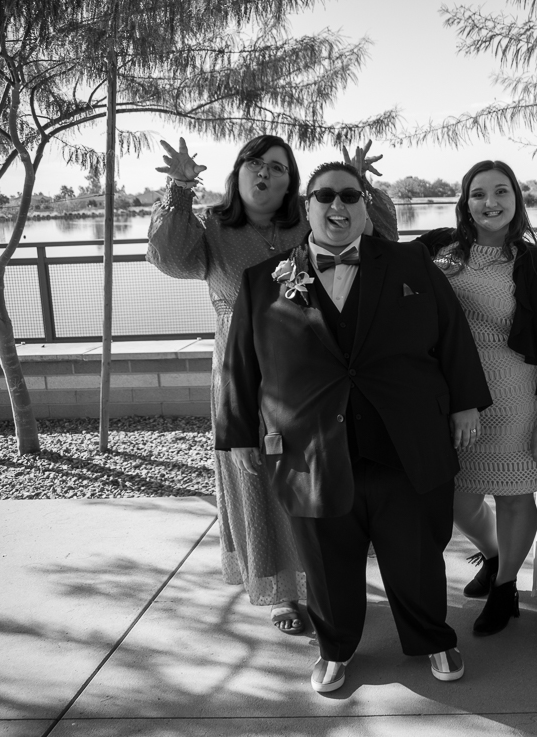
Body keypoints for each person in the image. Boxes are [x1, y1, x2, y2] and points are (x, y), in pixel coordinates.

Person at [215, 162, 492, 693]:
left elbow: (453, 333)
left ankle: (432, 637)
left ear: (366, 205)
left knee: (415, 552)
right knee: (326, 559)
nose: (337, 205)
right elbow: (240, 366)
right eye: (325, 196)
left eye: (349, 195)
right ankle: (335, 648)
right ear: (307, 207)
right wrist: (240, 435)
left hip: (406, 439)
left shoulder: (411, 263)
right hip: (311, 447)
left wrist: (465, 405)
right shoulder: (262, 280)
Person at [147, 135, 396, 637]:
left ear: (291, 183)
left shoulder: (307, 222)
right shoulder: (211, 230)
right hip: (245, 369)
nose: (265, 173)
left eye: (278, 167)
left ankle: (329, 576)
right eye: (255, 163)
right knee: (257, 473)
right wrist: (179, 188)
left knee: (317, 470)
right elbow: (169, 258)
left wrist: (356, 188)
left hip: (312, 372)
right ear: (237, 173)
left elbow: (380, 244)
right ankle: (283, 589)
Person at [423, 161, 537, 637]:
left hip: (514, 396)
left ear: (516, 200)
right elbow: (380, 256)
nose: (491, 202)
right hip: (453, 396)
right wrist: (365, 192)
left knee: (513, 497)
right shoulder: (439, 248)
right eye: (479, 193)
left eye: (501, 191)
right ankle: (492, 555)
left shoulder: (535, 266)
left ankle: (506, 588)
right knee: (457, 501)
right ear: (465, 202)